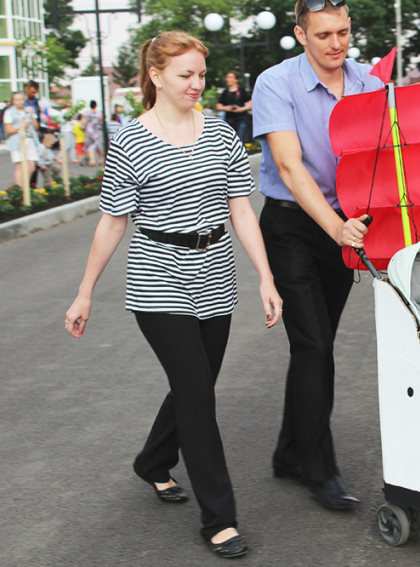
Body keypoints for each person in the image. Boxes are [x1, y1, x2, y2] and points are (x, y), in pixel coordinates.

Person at [63, 31, 283, 559]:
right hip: (157, 280)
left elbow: (239, 208)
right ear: (156, 76)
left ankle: (152, 462)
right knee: (198, 395)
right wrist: (85, 292)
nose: (196, 84)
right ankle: (219, 519)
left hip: (215, 276)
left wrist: (265, 277)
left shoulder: (223, 132)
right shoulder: (130, 140)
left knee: (195, 384)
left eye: (201, 75)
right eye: (185, 75)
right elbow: (113, 223)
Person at [252, 0, 420, 510]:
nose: (336, 44)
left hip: (349, 229)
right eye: (324, 34)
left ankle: (288, 451)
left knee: (315, 344)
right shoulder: (275, 83)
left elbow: (397, 160)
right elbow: (288, 166)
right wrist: (335, 229)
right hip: (294, 229)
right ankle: (317, 470)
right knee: (314, 346)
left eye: (343, 31)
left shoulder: (372, 85)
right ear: (301, 34)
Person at [3, 91, 39, 189]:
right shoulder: (9, 112)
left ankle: (25, 188)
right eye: (17, 99)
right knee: (20, 166)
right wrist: (21, 126)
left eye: (21, 99)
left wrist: (32, 115)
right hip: (17, 141)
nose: (20, 101)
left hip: (30, 140)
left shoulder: (28, 110)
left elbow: (36, 127)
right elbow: (8, 130)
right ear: (13, 101)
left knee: (31, 167)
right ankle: (20, 190)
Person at [216, 71, 252, 143]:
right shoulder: (225, 92)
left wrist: (241, 109)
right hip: (229, 120)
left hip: (241, 119)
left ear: (236, 79)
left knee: (240, 140)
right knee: (228, 141)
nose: (228, 79)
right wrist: (226, 108)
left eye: (230, 77)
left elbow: (251, 103)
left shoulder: (242, 91)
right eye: (227, 77)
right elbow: (218, 106)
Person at [84, 100, 104, 168]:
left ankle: (92, 160)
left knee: (90, 146)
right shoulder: (99, 113)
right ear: (96, 105)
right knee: (99, 145)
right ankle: (100, 160)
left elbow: (84, 122)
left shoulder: (87, 113)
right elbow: (101, 121)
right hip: (97, 131)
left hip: (89, 131)